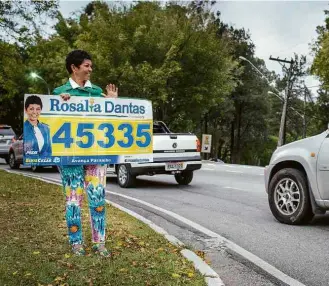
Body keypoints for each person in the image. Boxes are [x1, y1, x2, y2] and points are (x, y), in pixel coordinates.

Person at [53, 50, 118, 257]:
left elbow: (111, 122)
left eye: (90, 66)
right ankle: (76, 242)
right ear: (74, 68)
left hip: (96, 154)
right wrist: (58, 103)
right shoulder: (59, 91)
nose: (91, 69)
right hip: (69, 155)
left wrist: (112, 102)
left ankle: (100, 242)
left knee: (97, 197)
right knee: (73, 199)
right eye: (87, 66)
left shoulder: (97, 91)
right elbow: (50, 122)